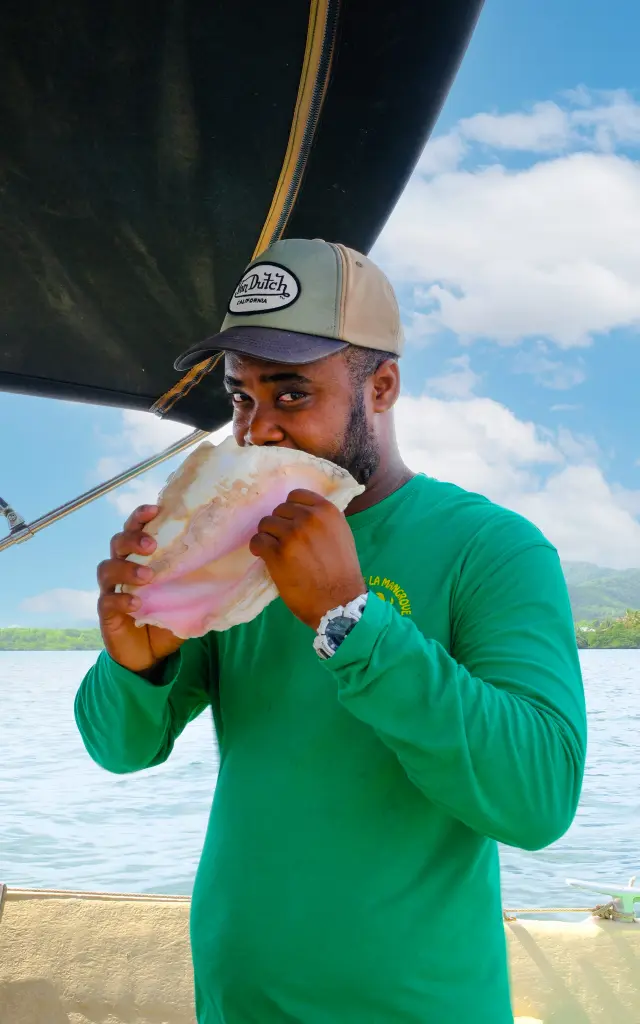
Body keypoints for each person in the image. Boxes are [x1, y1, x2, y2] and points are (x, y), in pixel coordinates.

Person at [75, 238, 587, 1024]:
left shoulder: (494, 547)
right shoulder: (236, 540)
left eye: (289, 396)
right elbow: (118, 748)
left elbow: (538, 801)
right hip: (236, 1003)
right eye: (241, 398)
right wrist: (136, 667)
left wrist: (351, 619)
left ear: (380, 386)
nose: (258, 430)